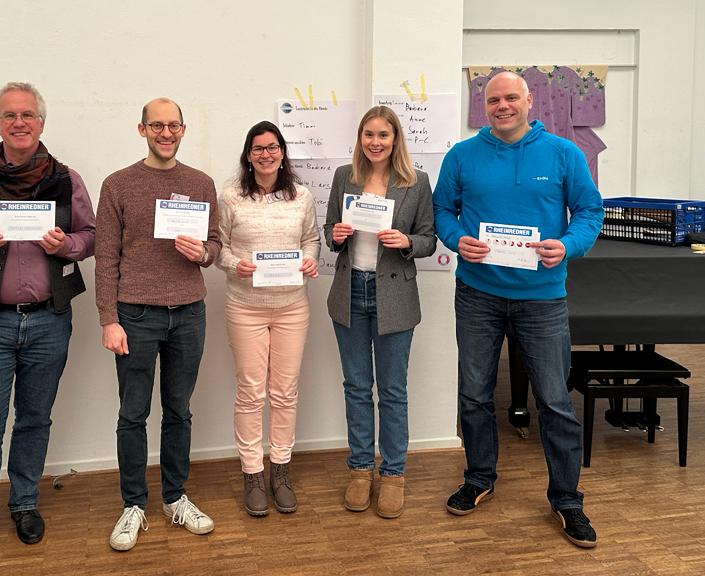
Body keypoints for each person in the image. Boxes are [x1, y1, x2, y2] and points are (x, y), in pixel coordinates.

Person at [432, 71, 604, 549]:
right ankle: (479, 477)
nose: (502, 106)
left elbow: (591, 211)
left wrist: (567, 246)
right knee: (474, 394)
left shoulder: (565, 154)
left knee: (553, 401)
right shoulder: (462, 156)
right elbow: (442, 209)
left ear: (530, 101)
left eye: (511, 98)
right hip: (478, 295)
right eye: (493, 100)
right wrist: (455, 239)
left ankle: (567, 499)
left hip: (543, 298)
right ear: (482, 106)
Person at [0, 82, 96, 573]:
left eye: (27, 114)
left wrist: (64, 246)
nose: (19, 123)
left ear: (41, 123)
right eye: (10, 115)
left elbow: (90, 237)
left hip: (50, 320)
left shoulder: (66, 178)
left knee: (34, 419)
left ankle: (25, 503)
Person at [94, 97, 221, 552]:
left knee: (179, 410)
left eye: (174, 126)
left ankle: (174, 498)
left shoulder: (201, 183)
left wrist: (203, 254)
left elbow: (216, 245)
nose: (166, 133)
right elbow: (105, 258)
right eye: (157, 126)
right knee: (133, 414)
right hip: (136, 315)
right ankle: (133, 505)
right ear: (142, 129)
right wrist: (109, 319)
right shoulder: (118, 185)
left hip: (189, 311)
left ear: (184, 130)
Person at [324, 105, 436, 519]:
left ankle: (392, 474)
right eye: (368, 134)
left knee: (392, 391)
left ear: (395, 140)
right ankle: (359, 470)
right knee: (356, 386)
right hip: (350, 291)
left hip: (394, 295)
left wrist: (405, 240)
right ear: (360, 138)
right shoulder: (343, 177)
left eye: (383, 135)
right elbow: (330, 229)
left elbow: (429, 239)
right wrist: (334, 234)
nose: (375, 142)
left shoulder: (416, 182)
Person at [216, 121, 321, 517]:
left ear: (282, 153)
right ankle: (252, 473)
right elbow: (220, 247)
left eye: (272, 147)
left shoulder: (302, 196)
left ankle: (280, 470)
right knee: (250, 391)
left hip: (293, 306)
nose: (265, 154)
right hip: (245, 306)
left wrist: (309, 259)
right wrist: (234, 265)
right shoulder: (231, 198)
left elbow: (310, 238)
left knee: (284, 391)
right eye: (258, 148)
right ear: (248, 155)